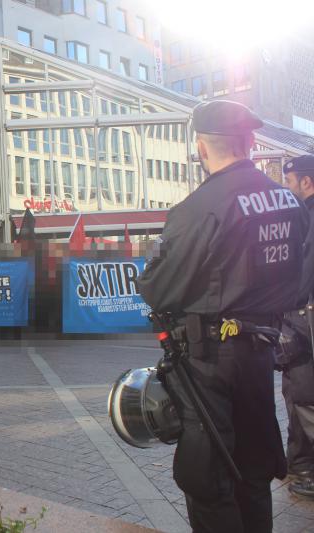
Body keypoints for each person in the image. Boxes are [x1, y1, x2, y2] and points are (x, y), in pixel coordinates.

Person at [137, 100, 310, 533]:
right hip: (262, 351)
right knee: (252, 466)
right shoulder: (289, 201)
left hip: (208, 358)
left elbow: (157, 286)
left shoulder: (201, 207)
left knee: (207, 472)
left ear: (200, 146)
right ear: (249, 142)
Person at [279, 155, 314, 498]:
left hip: (305, 321)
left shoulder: (310, 217)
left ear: (305, 182)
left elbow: (304, 276)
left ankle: (305, 469)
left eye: (290, 183)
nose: (287, 189)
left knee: (304, 397)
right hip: (304, 319)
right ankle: (299, 465)